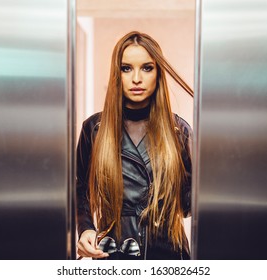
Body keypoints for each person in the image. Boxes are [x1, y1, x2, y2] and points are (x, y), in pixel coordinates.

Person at [76, 31, 193, 260]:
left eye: (147, 68)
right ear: (115, 74)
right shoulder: (95, 129)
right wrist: (86, 228)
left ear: (158, 73)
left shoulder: (179, 131)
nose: (136, 78)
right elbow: (79, 188)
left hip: (169, 254)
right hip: (114, 252)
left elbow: (190, 205)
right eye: (126, 68)